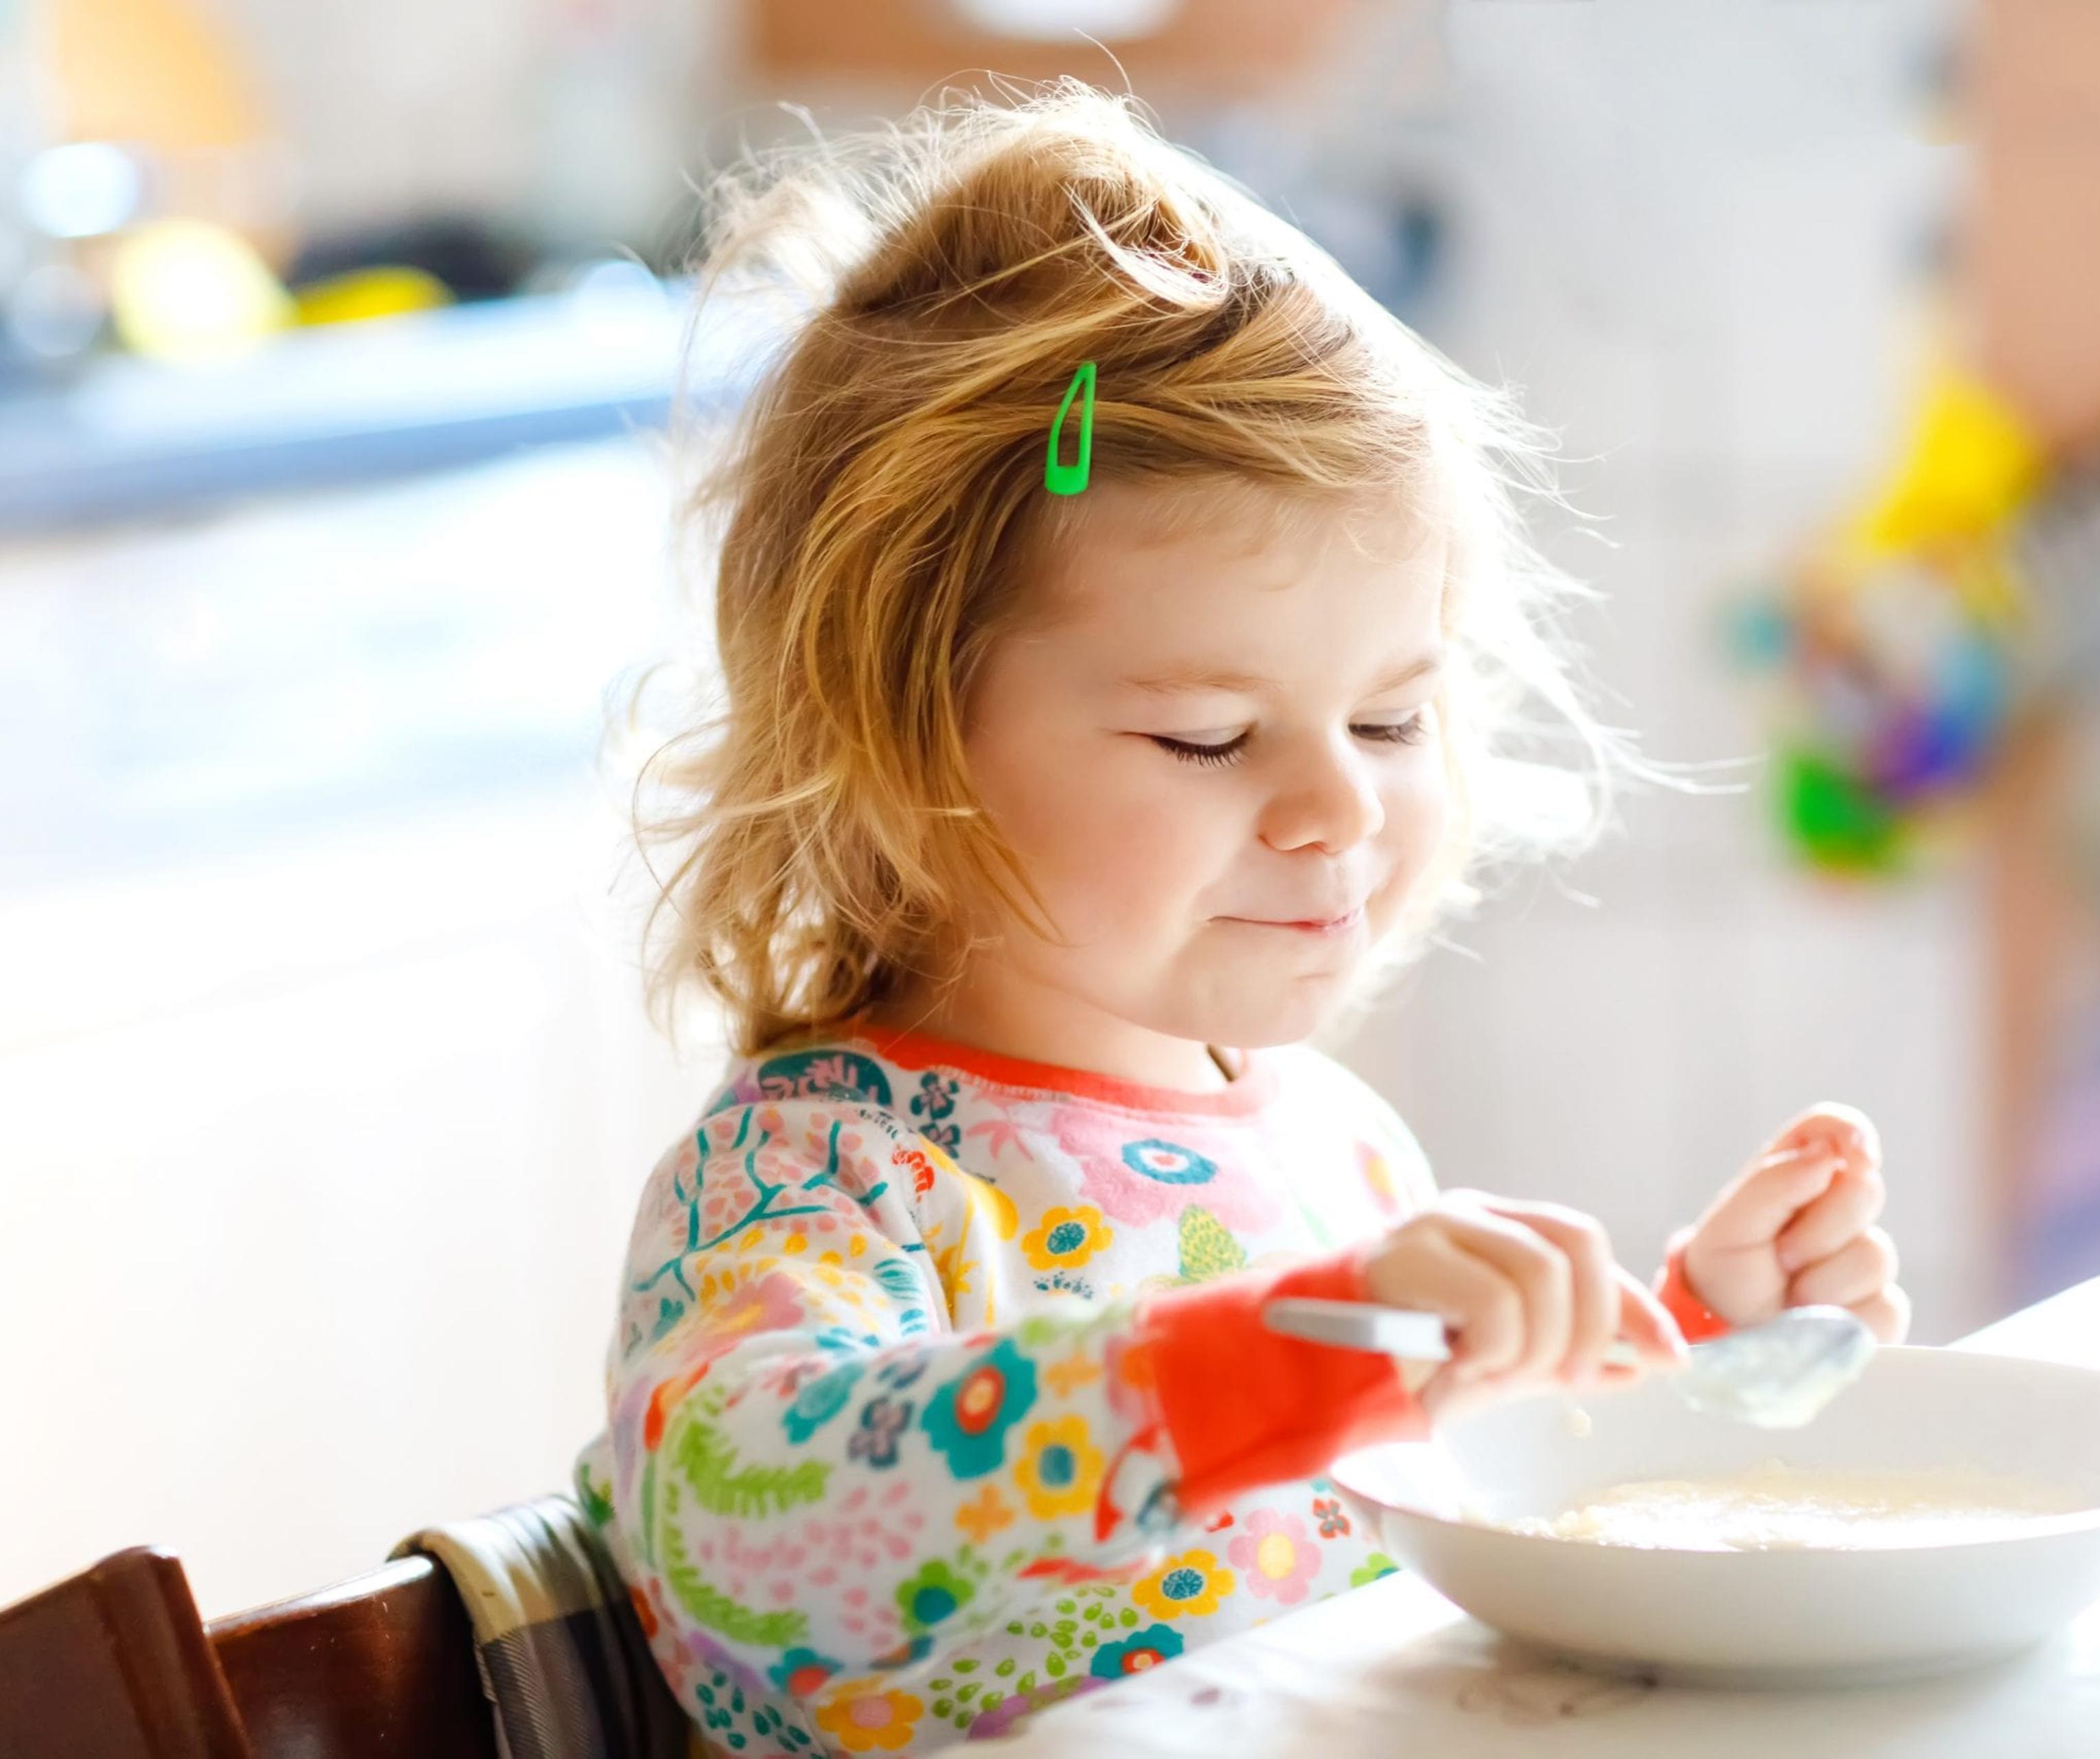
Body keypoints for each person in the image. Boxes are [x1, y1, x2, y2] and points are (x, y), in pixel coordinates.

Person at [571, 82, 1908, 1756]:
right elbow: (749, 1532)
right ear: (895, 747)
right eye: (1211, 737)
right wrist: (1272, 1365)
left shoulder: (1327, 1149)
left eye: (1394, 721)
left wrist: (1681, 1349)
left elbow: (1452, 1530)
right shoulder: (822, 1183)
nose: (1339, 808)